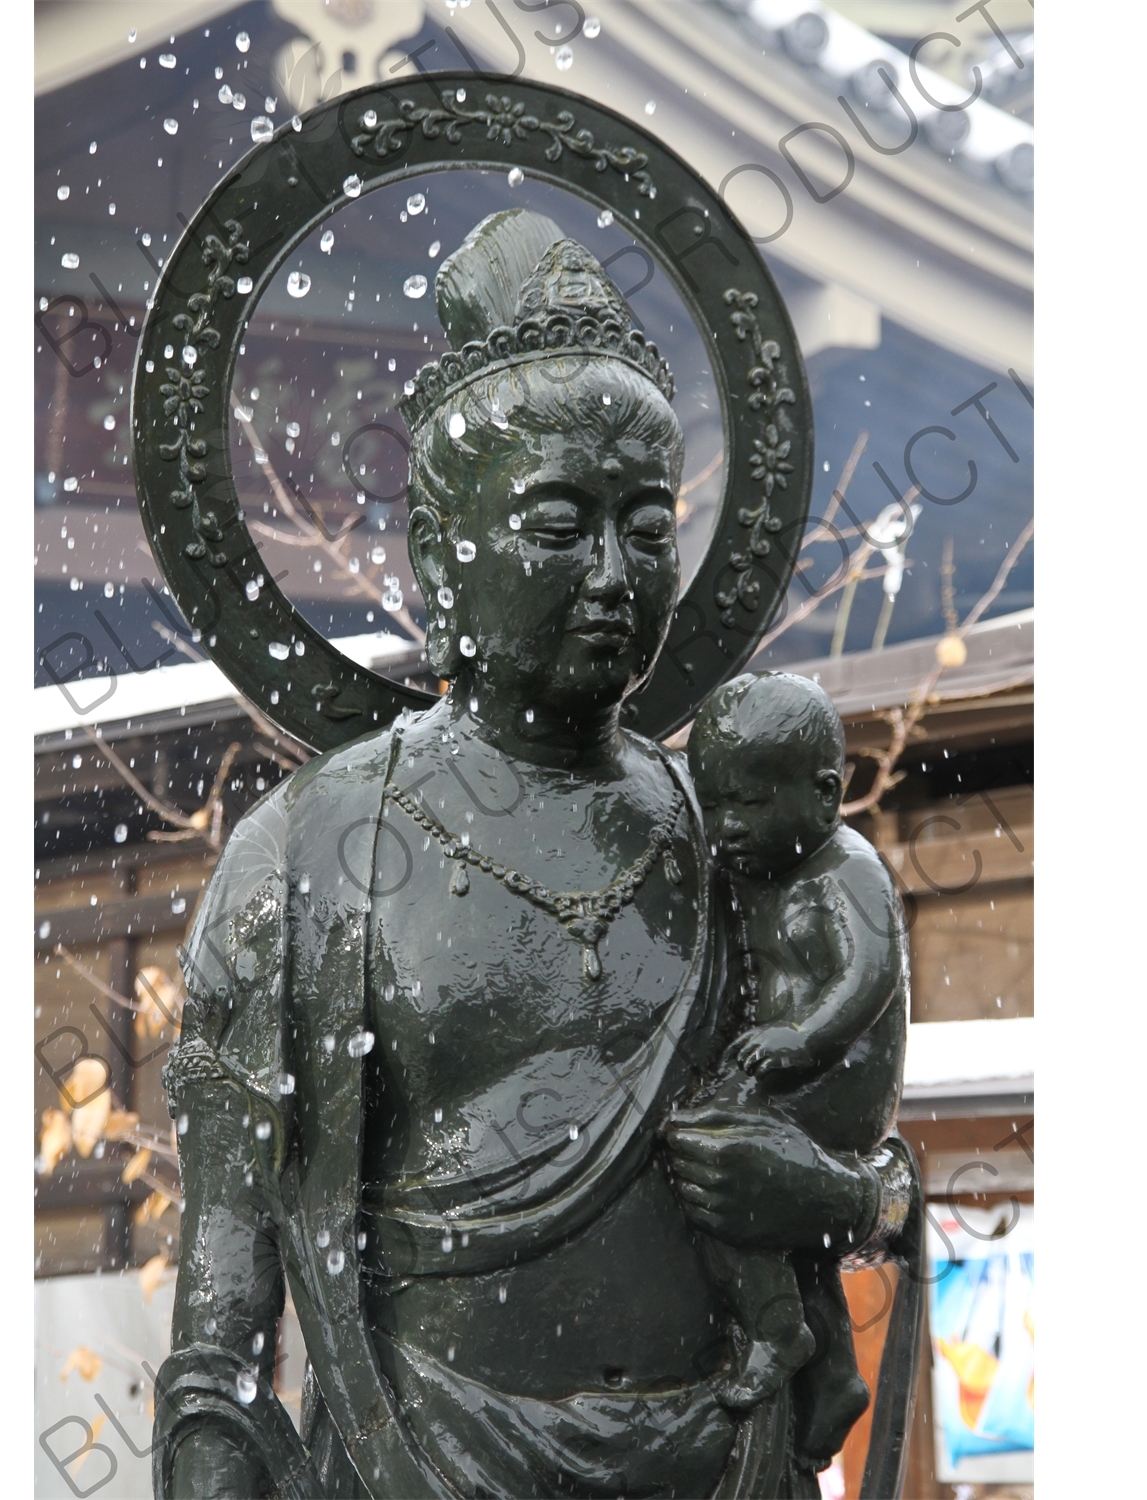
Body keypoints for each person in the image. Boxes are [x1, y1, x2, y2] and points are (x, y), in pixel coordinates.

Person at [152, 210, 914, 1499]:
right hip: (414, 1452)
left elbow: (878, 1178)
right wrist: (212, 1434)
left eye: (648, 524)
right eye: (558, 525)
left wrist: (828, 1197)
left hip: (720, 1452)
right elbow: (229, 1243)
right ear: (442, 555)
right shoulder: (309, 854)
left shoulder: (754, 847)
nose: (615, 574)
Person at [687, 672, 910, 1466]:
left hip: (834, 1081)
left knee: (723, 1166)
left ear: (824, 795)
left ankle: (780, 1331)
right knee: (784, 1226)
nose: (728, 827)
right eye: (714, 806)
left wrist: (805, 1039)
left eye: (749, 805)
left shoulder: (844, 869)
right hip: (786, 1073)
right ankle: (835, 1371)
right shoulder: (755, 872)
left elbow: (868, 974)